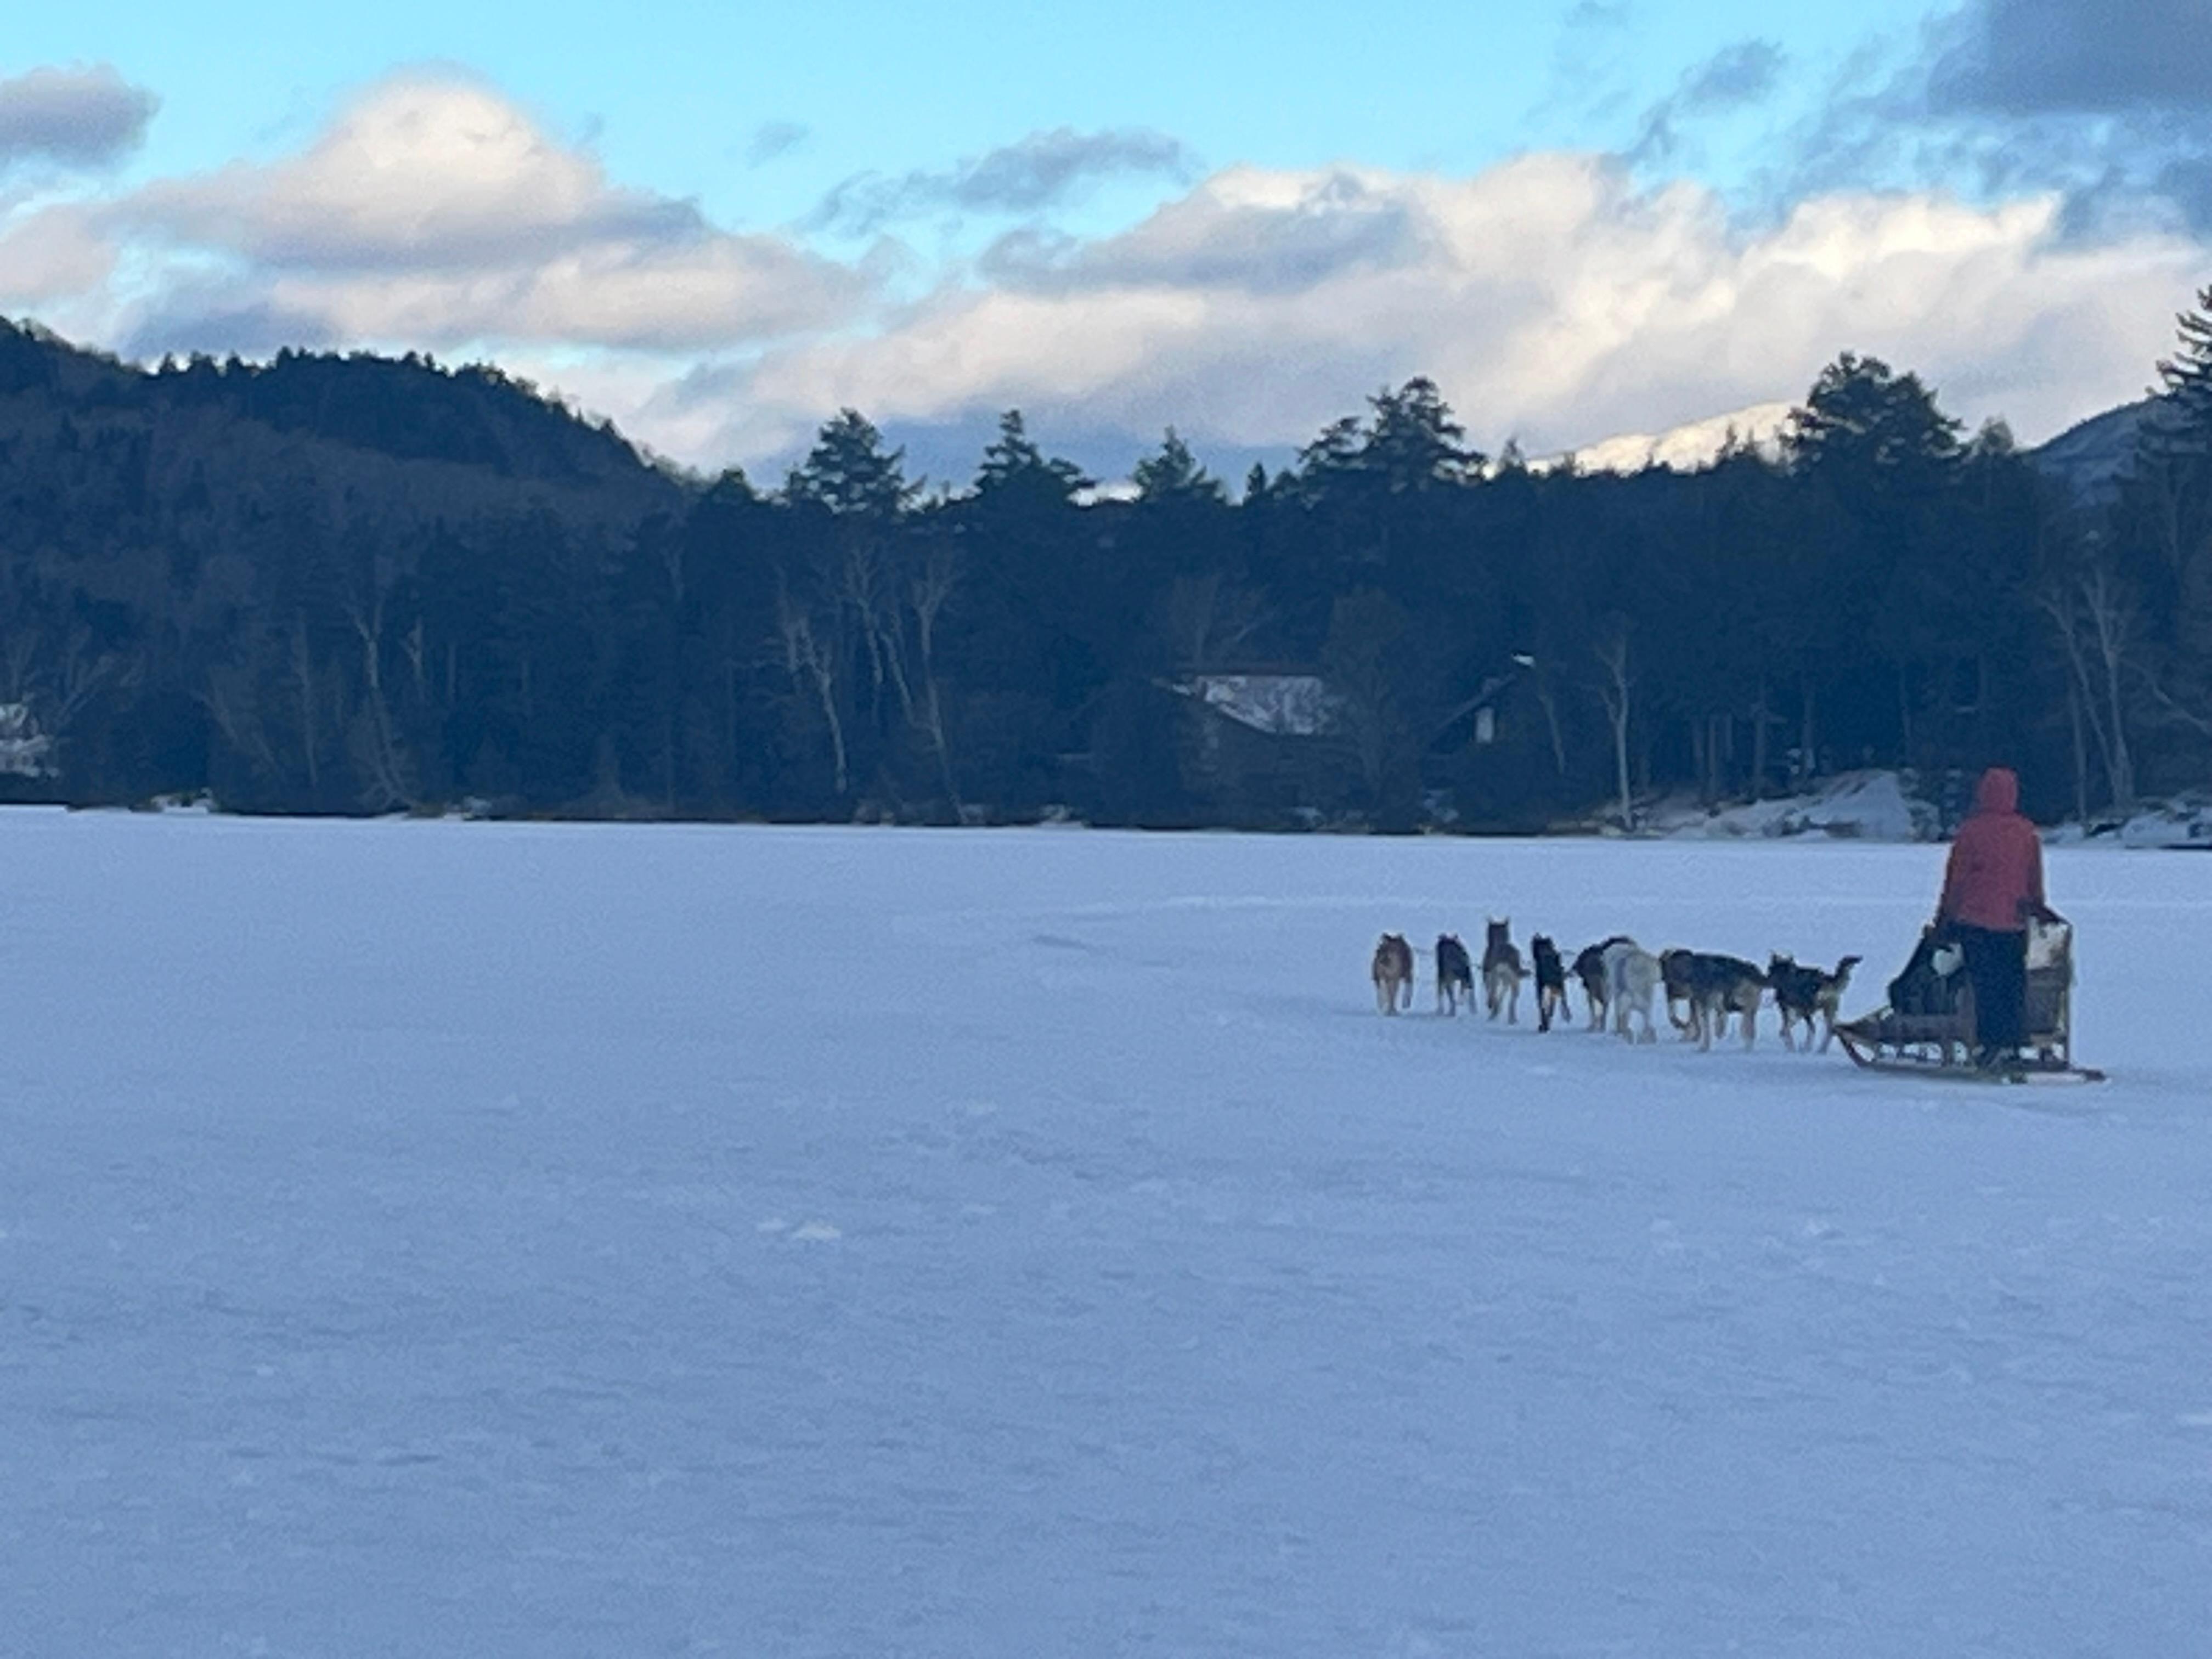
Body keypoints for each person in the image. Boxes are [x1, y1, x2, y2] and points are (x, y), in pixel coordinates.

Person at [1935, 766, 2058, 1068]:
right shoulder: (2026, 832)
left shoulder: (1971, 832)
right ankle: (2014, 1042)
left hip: (1975, 920)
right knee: (2012, 983)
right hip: (2014, 922)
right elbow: (2034, 878)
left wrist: (1944, 917)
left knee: (1984, 985)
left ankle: (1991, 1045)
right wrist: (2038, 907)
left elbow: (1957, 879)